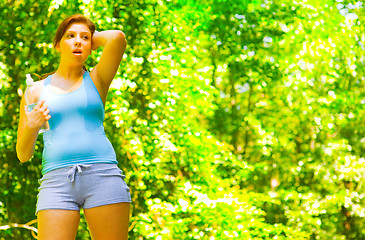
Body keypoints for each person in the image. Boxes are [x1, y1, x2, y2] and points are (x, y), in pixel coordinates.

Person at [16, 14, 131, 240]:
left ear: (92, 47)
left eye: (84, 38)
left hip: (103, 176)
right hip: (56, 182)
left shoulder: (98, 79)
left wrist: (86, 39)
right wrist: (32, 126)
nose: (78, 41)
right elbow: (22, 154)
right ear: (57, 45)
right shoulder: (35, 91)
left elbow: (117, 38)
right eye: (70, 36)